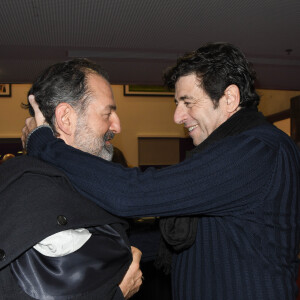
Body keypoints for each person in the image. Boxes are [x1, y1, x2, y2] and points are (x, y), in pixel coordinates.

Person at [23, 43, 300, 300]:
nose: (178, 117)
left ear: (229, 98)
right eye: (177, 104)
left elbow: (132, 194)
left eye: (188, 102)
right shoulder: (241, 148)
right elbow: (196, 237)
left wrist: (44, 142)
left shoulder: (257, 150)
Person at [0, 59, 143, 300]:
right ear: (65, 118)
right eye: (107, 113)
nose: (116, 126)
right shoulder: (31, 191)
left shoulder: (81, 185)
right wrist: (119, 294)